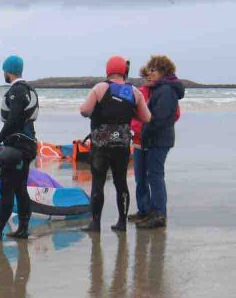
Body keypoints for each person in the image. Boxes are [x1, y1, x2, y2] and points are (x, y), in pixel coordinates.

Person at [78, 56, 151, 233]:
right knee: (121, 183)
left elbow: (84, 111)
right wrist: (127, 113)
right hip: (122, 145)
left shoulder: (100, 88)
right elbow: (147, 117)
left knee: (98, 183)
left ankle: (95, 224)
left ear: (108, 70)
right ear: (124, 71)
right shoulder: (134, 92)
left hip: (101, 145)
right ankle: (122, 223)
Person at [0, 54, 38, 241]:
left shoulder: (17, 90)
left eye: (4, 71)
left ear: (8, 71)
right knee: (20, 188)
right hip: (27, 144)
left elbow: (13, 119)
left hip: (18, 147)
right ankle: (22, 228)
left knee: (7, 187)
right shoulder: (29, 89)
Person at [136, 55, 184, 228]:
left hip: (159, 140)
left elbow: (159, 119)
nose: (150, 73)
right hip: (156, 139)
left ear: (163, 71)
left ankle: (158, 214)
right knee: (152, 175)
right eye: (148, 70)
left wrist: (145, 132)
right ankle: (153, 212)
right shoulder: (162, 89)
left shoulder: (166, 91)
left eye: (153, 70)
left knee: (155, 176)